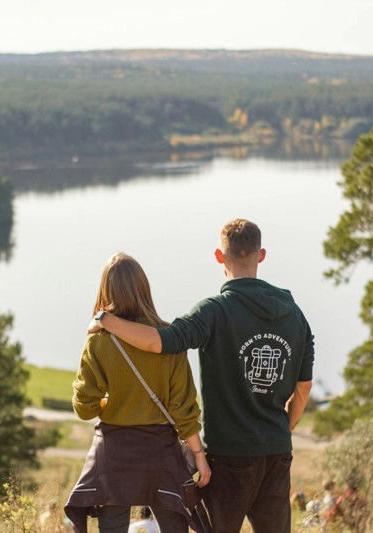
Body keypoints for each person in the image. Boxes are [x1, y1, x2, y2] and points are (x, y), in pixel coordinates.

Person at [89, 219, 314, 533]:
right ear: (261, 255)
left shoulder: (214, 312)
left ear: (219, 257)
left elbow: (159, 342)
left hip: (228, 455)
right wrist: (280, 430)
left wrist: (106, 320)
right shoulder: (295, 314)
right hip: (276, 452)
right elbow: (303, 389)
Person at [65, 253, 211, 533]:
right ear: (143, 287)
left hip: (114, 452)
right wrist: (199, 455)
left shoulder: (97, 341)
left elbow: (84, 408)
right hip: (160, 452)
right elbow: (184, 409)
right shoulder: (169, 338)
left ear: (105, 290)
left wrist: (110, 400)